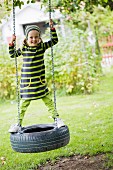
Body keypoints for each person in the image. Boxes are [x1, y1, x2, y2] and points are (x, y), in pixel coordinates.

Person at [8, 19, 64, 133]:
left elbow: (54, 40)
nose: (34, 39)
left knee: (49, 102)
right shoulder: (24, 49)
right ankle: (18, 124)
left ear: (39, 38)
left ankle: (57, 119)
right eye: (31, 37)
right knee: (23, 106)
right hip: (27, 84)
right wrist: (12, 43)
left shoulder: (42, 47)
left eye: (36, 37)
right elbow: (12, 54)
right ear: (26, 38)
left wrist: (52, 29)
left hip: (39, 82)